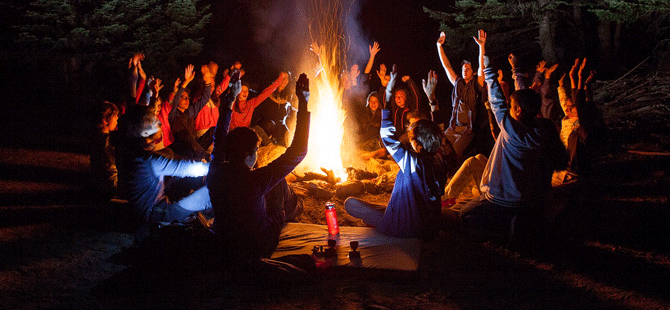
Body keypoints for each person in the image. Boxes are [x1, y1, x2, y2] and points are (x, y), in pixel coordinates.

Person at [457, 53, 568, 245]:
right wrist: (516, 71)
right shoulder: (544, 129)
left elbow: (497, 102)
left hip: (502, 200)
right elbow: (525, 99)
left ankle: (504, 231)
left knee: (464, 214)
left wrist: (488, 69)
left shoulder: (512, 130)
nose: (508, 108)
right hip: (529, 198)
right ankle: (524, 222)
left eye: (512, 106)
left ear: (517, 110)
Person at [344, 65, 458, 239]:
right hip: (428, 224)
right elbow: (438, 133)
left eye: (411, 131)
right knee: (449, 216)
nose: (408, 131)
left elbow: (387, 136)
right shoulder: (442, 159)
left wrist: (387, 99)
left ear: (416, 142)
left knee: (350, 204)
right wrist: (432, 101)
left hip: (401, 228)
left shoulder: (410, 161)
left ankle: (381, 224)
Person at [207, 73, 311, 262]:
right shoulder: (253, 181)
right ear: (247, 155)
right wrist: (303, 104)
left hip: (224, 242)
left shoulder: (215, 172)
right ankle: (296, 208)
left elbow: (219, 137)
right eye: (255, 150)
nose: (257, 154)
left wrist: (230, 99)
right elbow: (298, 152)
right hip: (257, 247)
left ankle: (293, 205)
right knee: (279, 185)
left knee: (274, 184)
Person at [116, 105, 212, 225]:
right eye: (153, 121)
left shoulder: (128, 150)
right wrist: (219, 167)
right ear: (145, 131)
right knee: (209, 192)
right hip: (157, 215)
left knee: (182, 176)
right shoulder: (149, 160)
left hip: (144, 211)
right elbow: (187, 169)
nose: (158, 123)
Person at [436, 30, 489, 157]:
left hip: (468, 130)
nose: (465, 71)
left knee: (453, 153)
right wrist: (439, 46)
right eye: (463, 69)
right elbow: (447, 66)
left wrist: (482, 46)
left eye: (468, 69)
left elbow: (482, 68)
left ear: (473, 72)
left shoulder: (478, 84)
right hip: (454, 127)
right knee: (439, 149)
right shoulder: (458, 83)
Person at [168, 63, 216, 160]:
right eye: (183, 97)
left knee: (213, 129)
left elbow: (204, 99)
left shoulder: (189, 112)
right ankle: (205, 155)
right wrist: (186, 82)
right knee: (184, 134)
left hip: (194, 146)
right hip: (180, 148)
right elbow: (176, 99)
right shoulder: (172, 113)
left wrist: (207, 82)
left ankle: (217, 152)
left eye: (187, 98)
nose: (186, 100)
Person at [91, 101, 120, 200]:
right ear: (105, 120)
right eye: (115, 116)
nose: (117, 119)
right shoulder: (107, 141)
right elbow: (110, 169)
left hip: (100, 184)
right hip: (111, 186)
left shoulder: (97, 137)